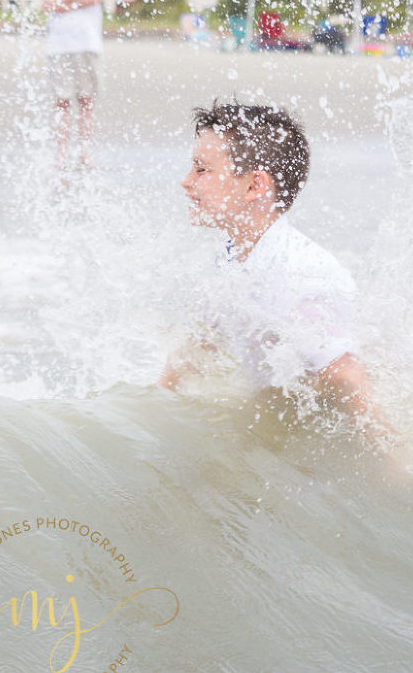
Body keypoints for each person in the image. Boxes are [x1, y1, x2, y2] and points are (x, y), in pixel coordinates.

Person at [159, 103, 391, 441]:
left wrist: (400, 467)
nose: (186, 182)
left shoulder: (297, 276)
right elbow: (197, 348)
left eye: (201, 169)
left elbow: (349, 377)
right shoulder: (234, 255)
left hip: (333, 433)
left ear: (255, 186)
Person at [40, 0, 105, 167]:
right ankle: (62, 153)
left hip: (87, 44)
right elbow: (47, 4)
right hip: (59, 46)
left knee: (86, 100)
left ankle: (85, 153)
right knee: (62, 101)